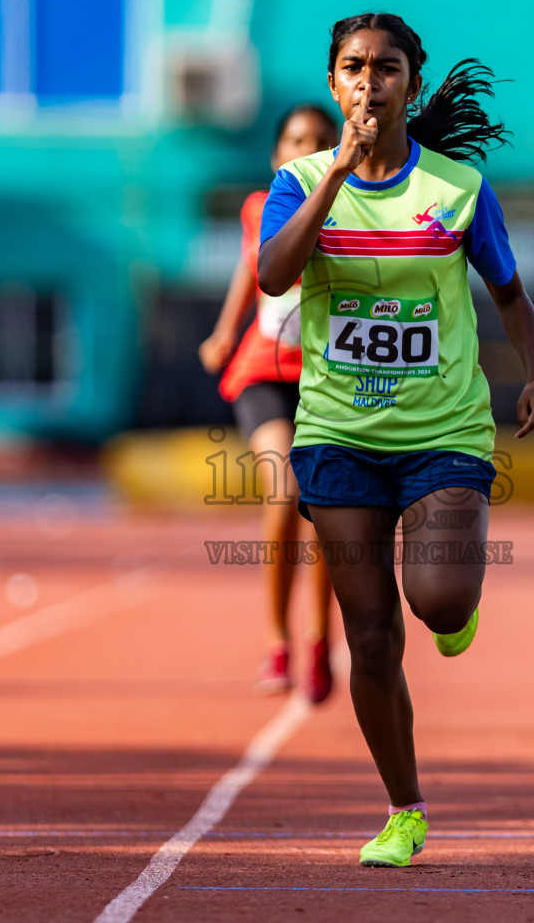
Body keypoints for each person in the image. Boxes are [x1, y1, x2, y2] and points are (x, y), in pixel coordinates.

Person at [257, 12, 534, 867]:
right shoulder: (301, 181)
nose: (368, 83)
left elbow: (509, 295)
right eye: (353, 68)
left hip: (444, 434)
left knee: (437, 601)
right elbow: (274, 276)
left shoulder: (459, 190)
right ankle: (404, 810)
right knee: (373, 637)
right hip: (337, 438)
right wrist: (335, 177)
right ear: (333, 83)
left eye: (386, 69)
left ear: (411, 86)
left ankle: (454, 608)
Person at [200, 104, 340, 703]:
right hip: (264, 371)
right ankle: (277, 641)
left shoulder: (355, 210)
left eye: (318, 141)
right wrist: (225, 331)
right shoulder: (260, 207)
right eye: (293, 139)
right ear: (277, 153)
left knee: (331, 515)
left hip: (331, 380)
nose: (304, 148)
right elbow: (249, 268)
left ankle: (318, 641)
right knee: (285, 492)